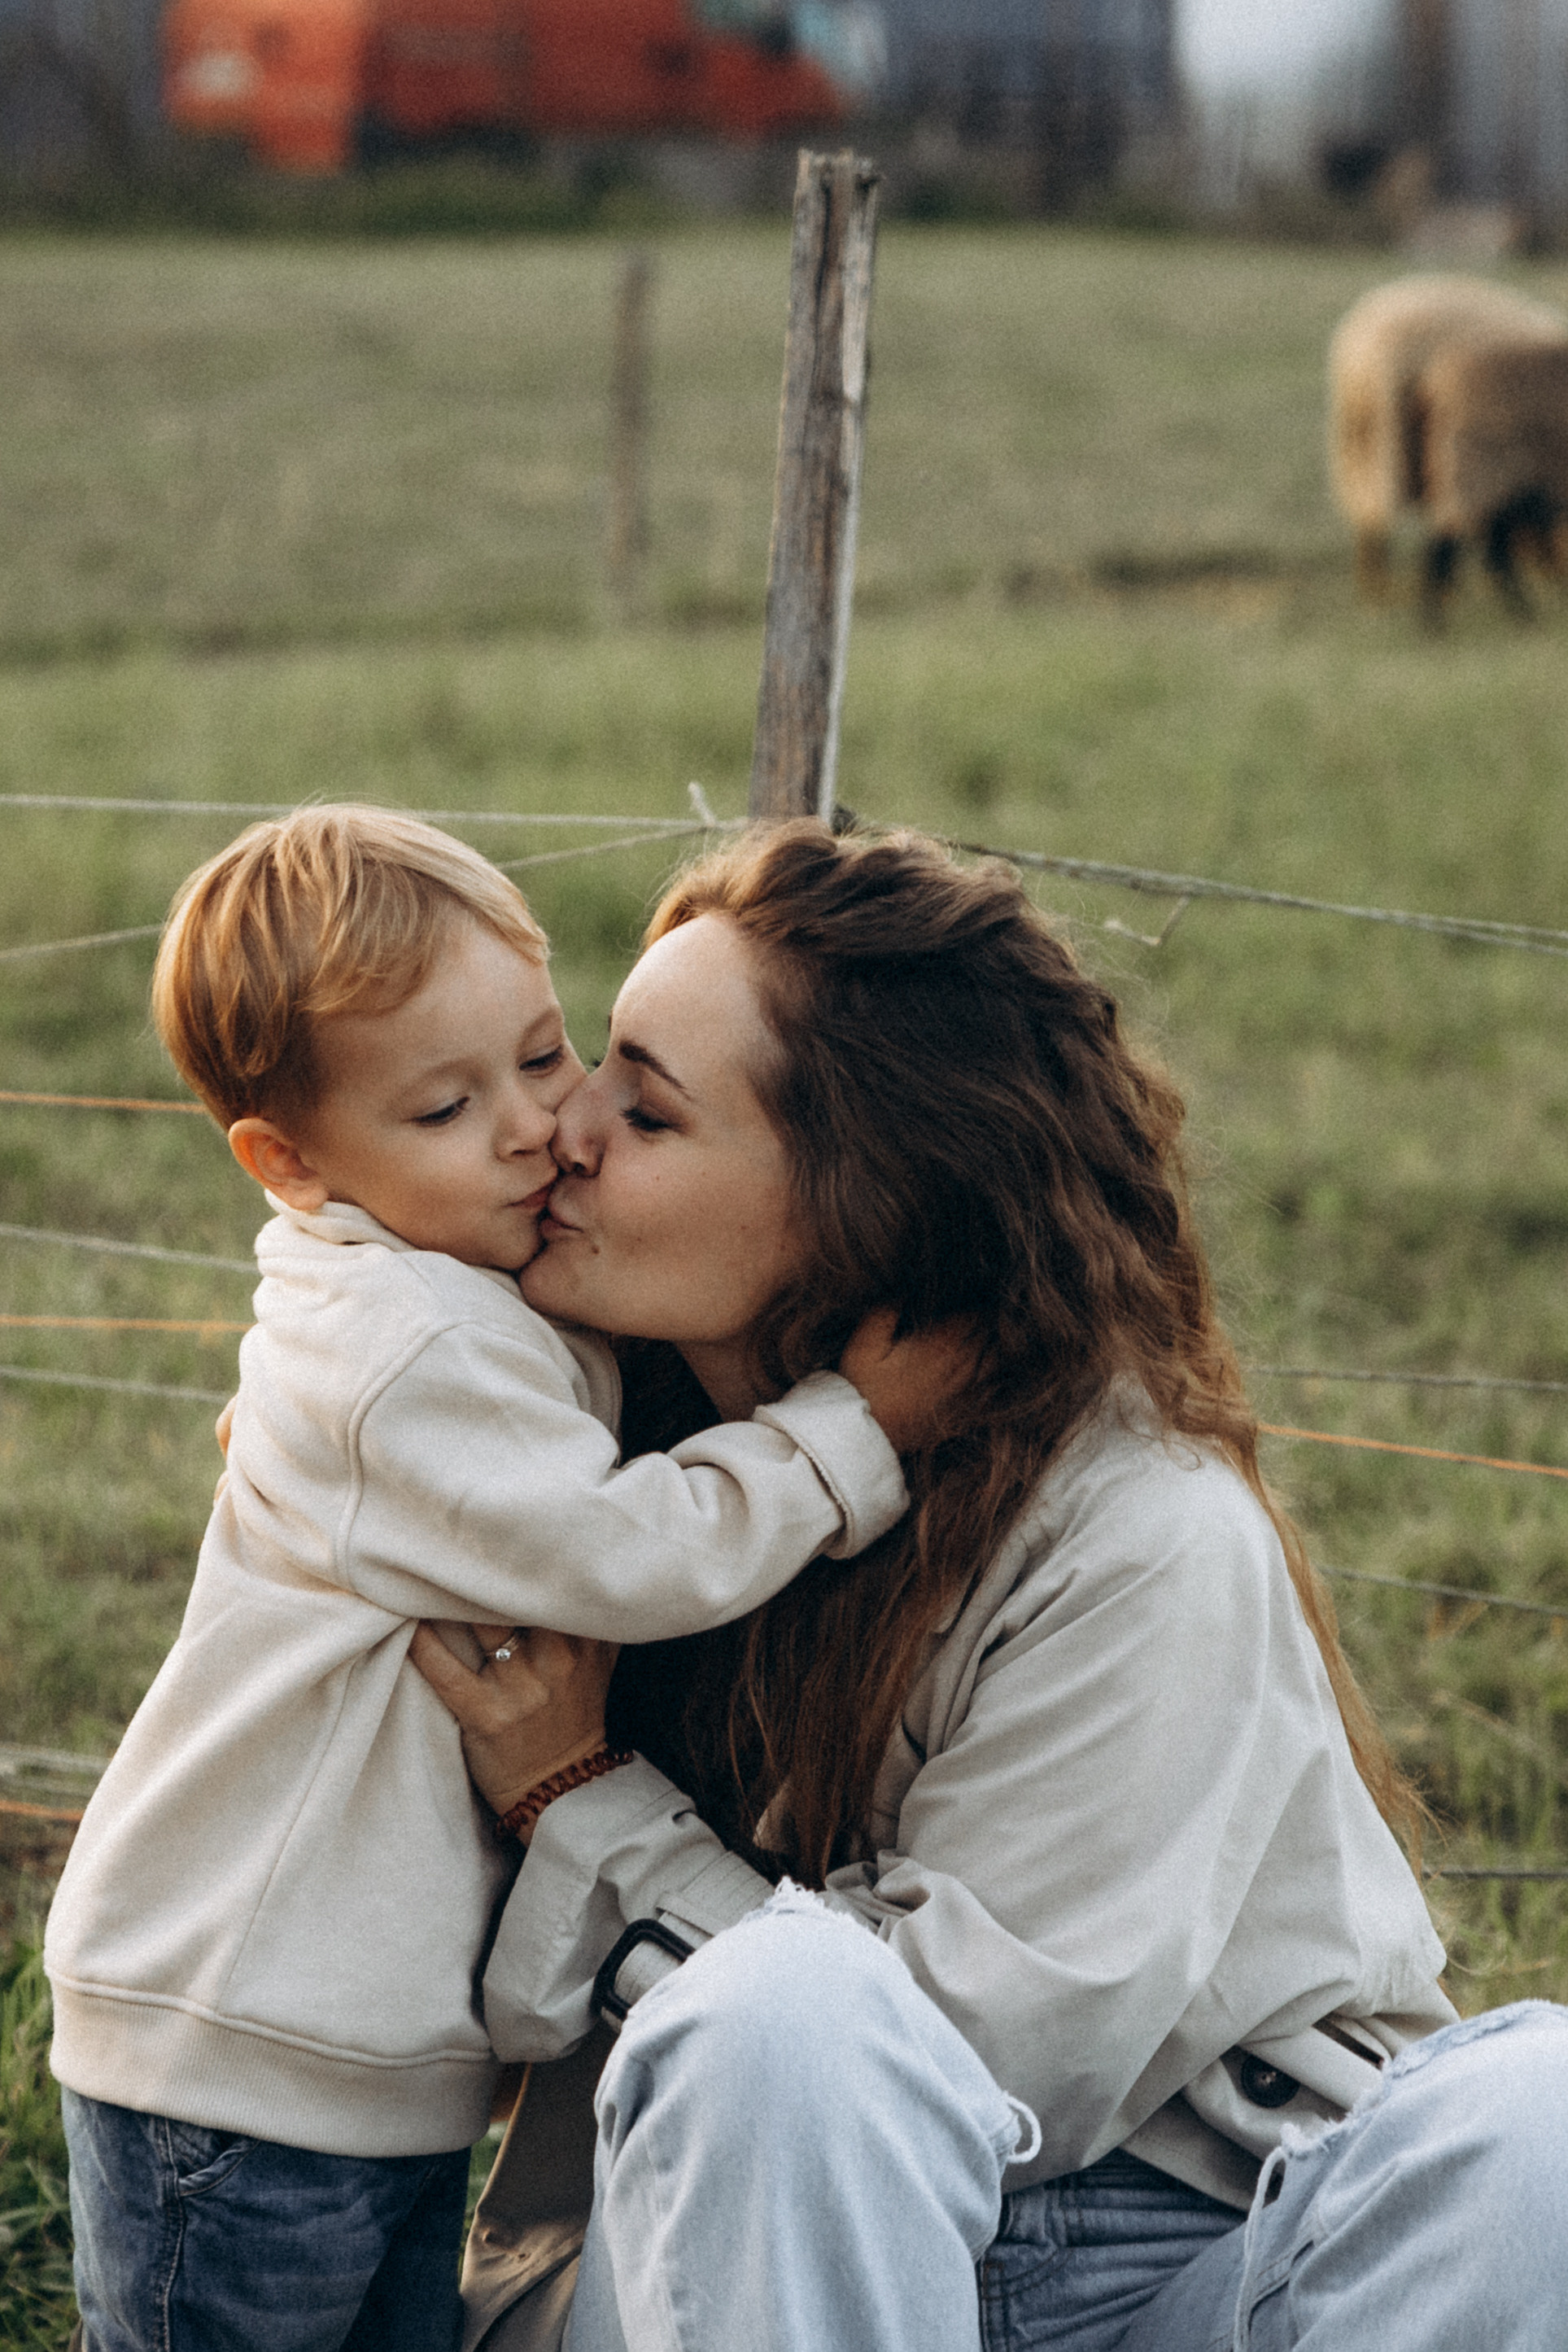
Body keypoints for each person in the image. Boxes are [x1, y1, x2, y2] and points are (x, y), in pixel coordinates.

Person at [413, 819, 1568, 2352]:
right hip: (740, 2267)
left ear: (863, 1196)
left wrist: (583, 1802)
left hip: (1176, 2260)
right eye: (597, 1072)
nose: (568, 1132)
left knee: (1537, 2123)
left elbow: (981, 2068)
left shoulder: (1141, 1528)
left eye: (651, 1108)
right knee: (784, 2023)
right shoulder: (564, 1462)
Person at [46, 806, 954, 2352]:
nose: (535, 1125)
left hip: (352, 2058)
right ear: (290, 1164)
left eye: (543, 1055)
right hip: (237, 2064)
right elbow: (626, 1549)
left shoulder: (433, 1291)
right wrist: (843, 1433)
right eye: (448, 1107)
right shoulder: (403, 1352)